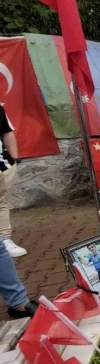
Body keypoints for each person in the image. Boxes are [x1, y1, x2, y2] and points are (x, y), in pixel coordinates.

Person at [0, 106, 26, 257]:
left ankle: (4, 240)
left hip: (3, 165)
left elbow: (7, 131)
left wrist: (14, 159)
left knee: (1, 202)